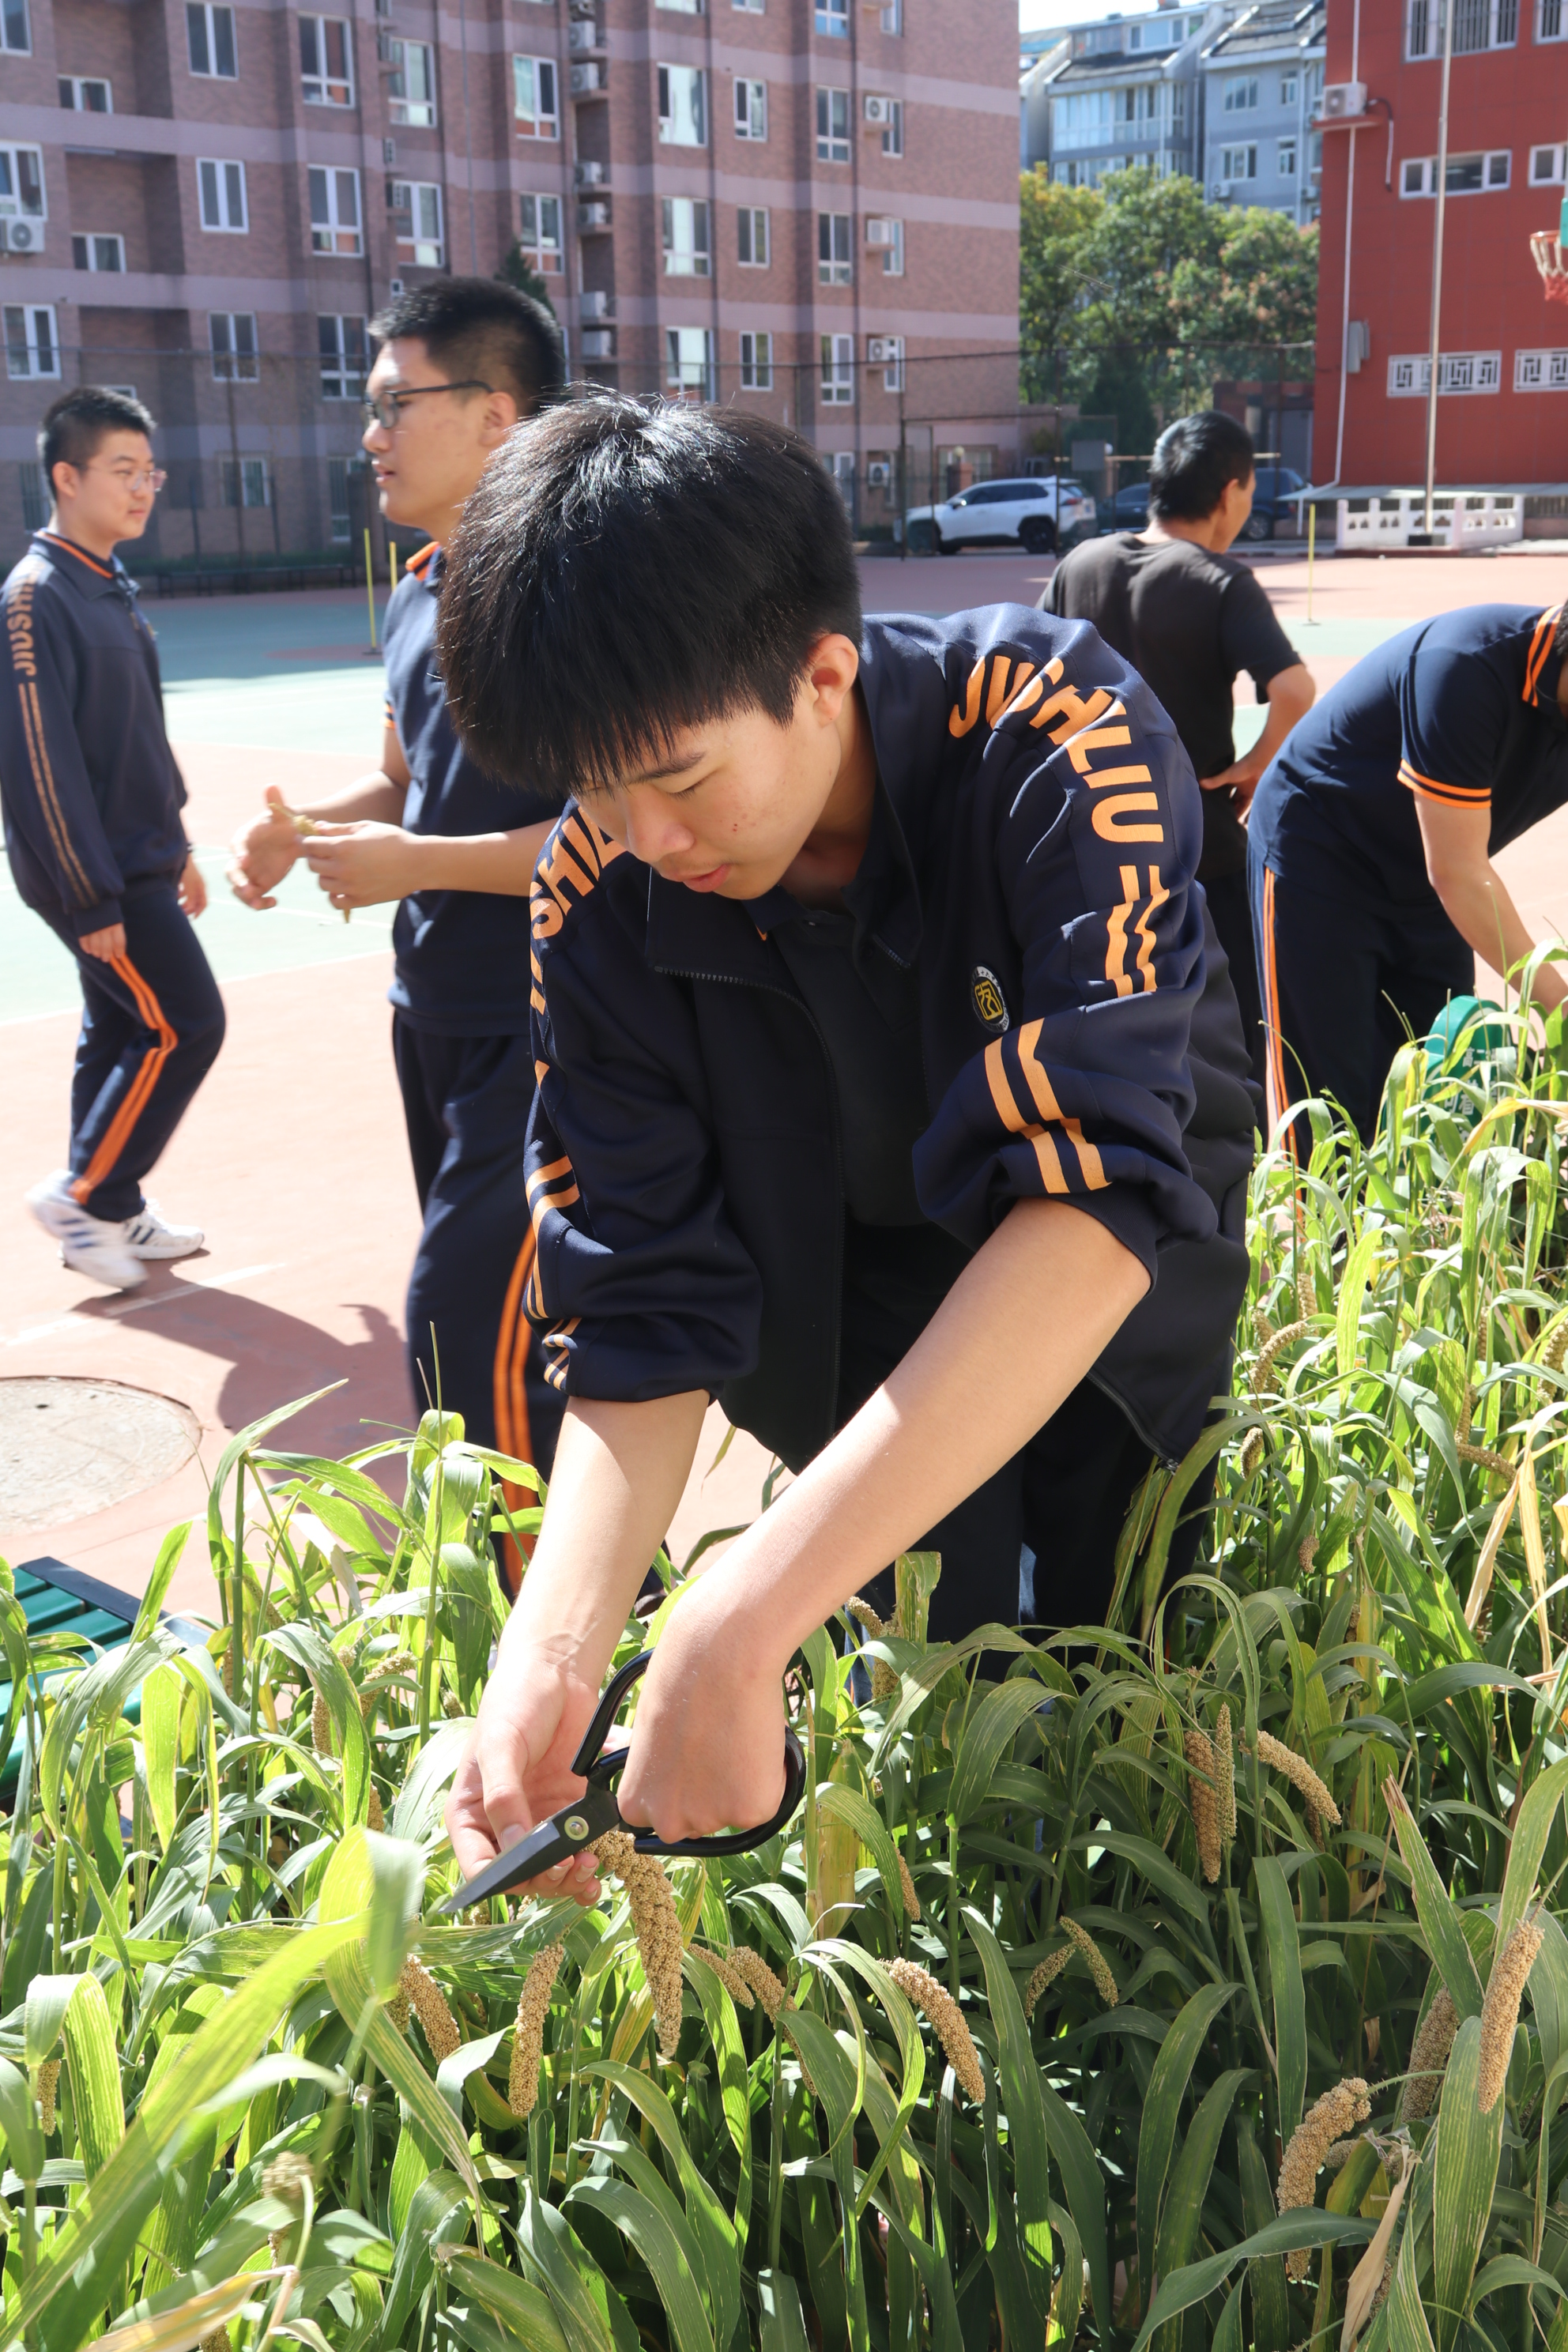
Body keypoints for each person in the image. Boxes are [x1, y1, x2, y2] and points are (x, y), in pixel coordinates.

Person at [430, 394, 1256, 1892]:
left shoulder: (1055, 730)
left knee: (1115, 1628)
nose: (643, 840)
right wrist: (551, 1657)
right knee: (902, 1612)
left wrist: (739, 1609)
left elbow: (1093, 1205)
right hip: (841, 1280)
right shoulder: (592, 884)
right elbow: (640, 1304)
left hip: (1103, 1266)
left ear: (821, 676)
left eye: (676, 780)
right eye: (591, 791)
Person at [228, 281, 568, 1536]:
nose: (368, 433)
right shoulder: (420, 582)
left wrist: (414, 861)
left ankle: (566, 1672)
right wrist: (309, 827)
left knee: (461, 1330)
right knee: (500, 1339)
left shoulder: (566, 594)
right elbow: (404, 774)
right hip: (429, 1008)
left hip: (546, 1019)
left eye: (392, 405)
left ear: (495, 416)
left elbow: (620, 833)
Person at [3, 386, 220, 1292]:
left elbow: (139, 736)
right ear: (67, 475)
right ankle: (84, 1193)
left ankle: (112, 1208)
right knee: (187, 1025)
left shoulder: (107, 584)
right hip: (95, 872)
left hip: (140, 858)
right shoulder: (36, 597)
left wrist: (180, 846)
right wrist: (90, 895)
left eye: (150, 472)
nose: (143, 490)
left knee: (118, 1026)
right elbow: (39, 762)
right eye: (122, 472)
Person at [1042, 412, 1315, 1099]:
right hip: (1197, 851)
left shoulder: (1082, 564)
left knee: (1097, 1027)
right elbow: (1294, 687)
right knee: (1229, 1041)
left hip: (1089, 845)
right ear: (1231, 492)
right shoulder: (1219, 580)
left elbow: (1027, 673)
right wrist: (1256, 763)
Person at [1249, 601, 1568, 1147]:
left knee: (1438, 1082)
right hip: (1323, 857)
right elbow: (1457, 872)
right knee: (1327, 1104)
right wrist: (1561, 1009)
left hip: (1429, 876)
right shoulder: (1466, 667)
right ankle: (1321, 1228)